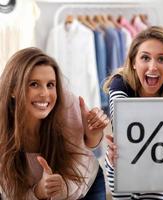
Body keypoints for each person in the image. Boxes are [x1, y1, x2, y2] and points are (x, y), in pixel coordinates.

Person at [0, 47, 109, 200]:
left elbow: (87, 148)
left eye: (50, 84)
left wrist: (93, 133)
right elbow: (9, 194)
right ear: (12, 90)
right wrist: (39, 191)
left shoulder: (66, 104)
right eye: (34, 84)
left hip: (83, 184)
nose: (45, 94)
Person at [103, 26, 163, 199]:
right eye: (145, 58)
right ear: (134, 63)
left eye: (161, 59)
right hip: (124, 160)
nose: (153, 67)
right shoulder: (120, 84)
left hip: (160, 161)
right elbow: (121, 130)